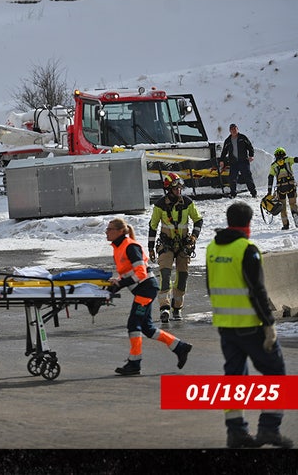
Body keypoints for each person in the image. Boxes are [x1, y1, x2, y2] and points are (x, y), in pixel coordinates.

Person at [206, 202, 293, 448]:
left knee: (234, 378)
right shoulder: (247, 249)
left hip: (225, 326)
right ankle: (269, 429)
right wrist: (269, 325)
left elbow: (211, 288)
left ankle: (236, 433)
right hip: (251, 326)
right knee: (276, 374)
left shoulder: (213, 247)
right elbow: (258, 290)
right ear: (249, 223)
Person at [106, 218, 192, 376]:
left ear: (120, 231)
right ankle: (180, 347)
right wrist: (117, 282)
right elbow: (128, 272)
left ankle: (134, 363)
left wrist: (121, 283)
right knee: (147, 328)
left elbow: (141, 273)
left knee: (133, 325)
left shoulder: (130, 247)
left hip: (146, 289)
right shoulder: (119, 247)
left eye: (110, 229)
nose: (106, 231)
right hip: (143, 290)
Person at [147, 172, 204, 323]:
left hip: (184, 246)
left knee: (182, 277)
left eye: (180, 187)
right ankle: (164, 308)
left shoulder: (188, 203)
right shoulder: (159, 205)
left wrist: (193, 237)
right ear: (168, 188)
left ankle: (177, 308)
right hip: (167, 246)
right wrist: (151, 248)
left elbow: (198, 220)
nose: (179, 190)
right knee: (165, 275)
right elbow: (153, 227)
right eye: (175, 187)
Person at [219, 123, 257, 199]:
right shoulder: (228, 140)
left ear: (237, 129)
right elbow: (224, 151)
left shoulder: (243, 138)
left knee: (247, 176)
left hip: (243, 161)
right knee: (232, 178)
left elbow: (250, 147)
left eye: (235, 129)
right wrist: (222, 160)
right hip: (233, 162)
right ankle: (233, 193)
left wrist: (251, 155)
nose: (233, 131)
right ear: (230, 131)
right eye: (232, 129)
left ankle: (253, 192)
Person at [267, 147, 298, 230]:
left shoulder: (273, 165)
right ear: (284, 154)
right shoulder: (288, 160)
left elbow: (270, 177)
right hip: (291, 186)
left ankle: (285, 225)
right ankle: (295, 214)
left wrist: (269, 191)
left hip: (281, 189)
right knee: (293, 203)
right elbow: (296, 159)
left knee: (282, 207)